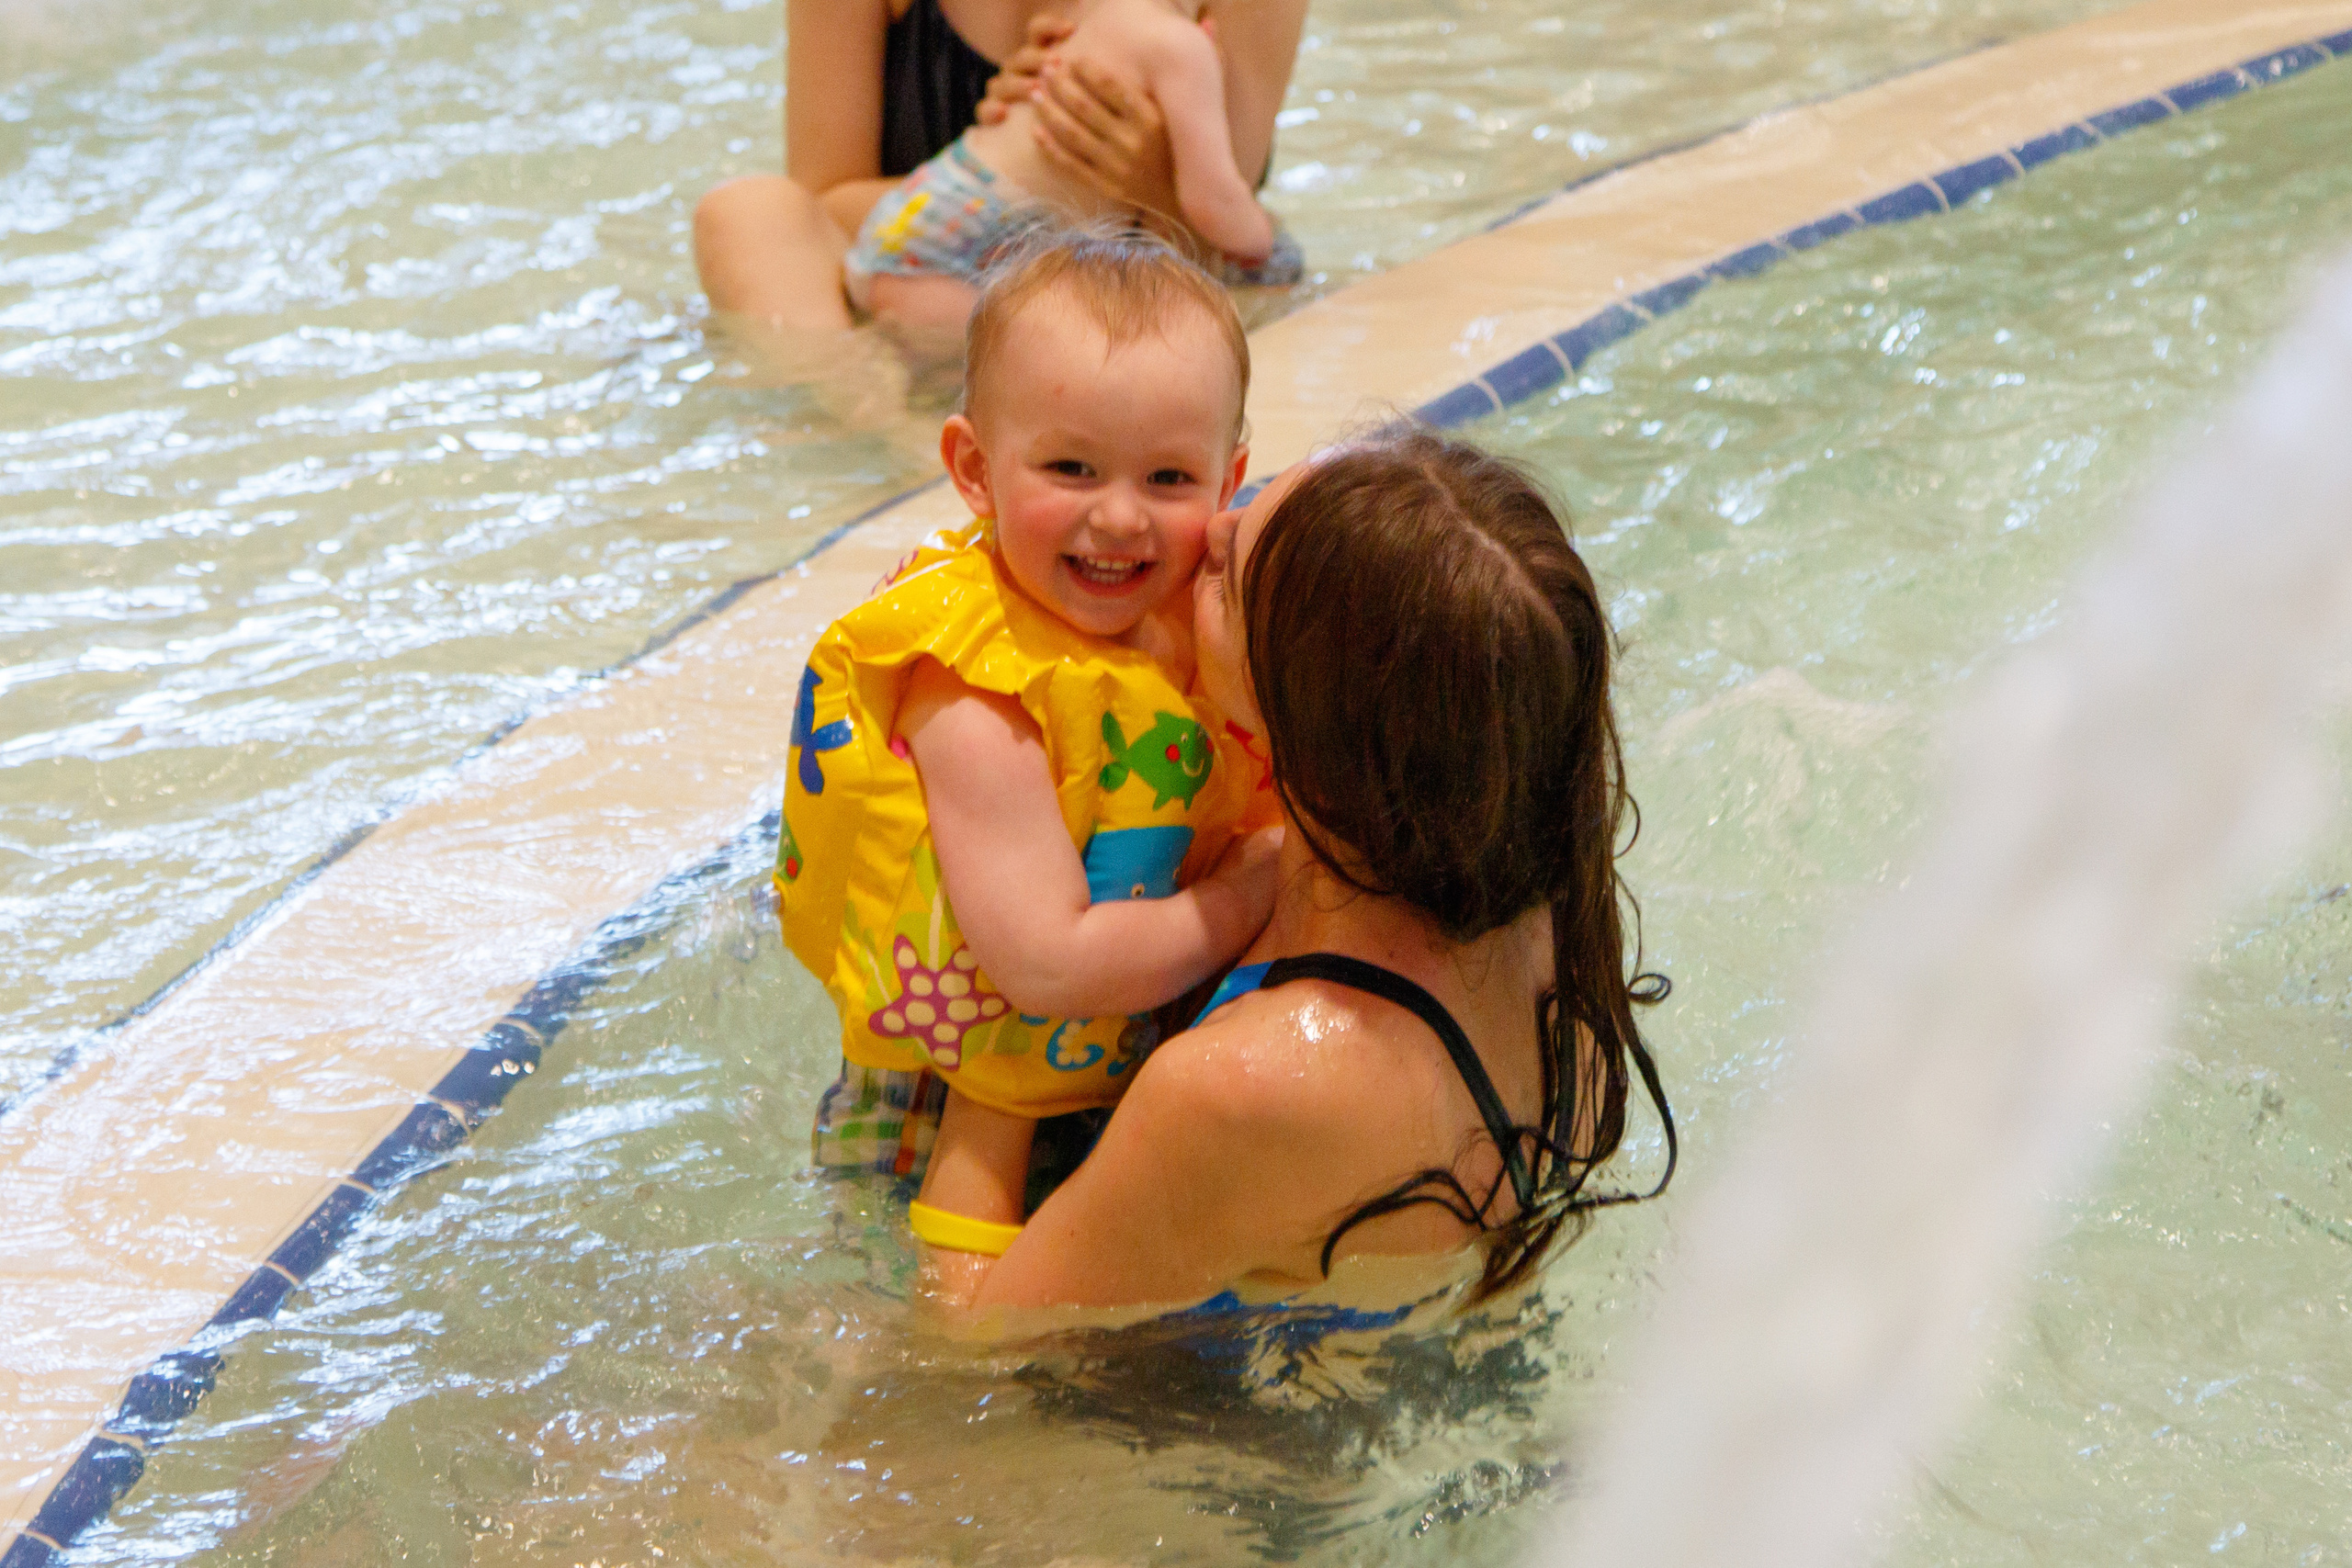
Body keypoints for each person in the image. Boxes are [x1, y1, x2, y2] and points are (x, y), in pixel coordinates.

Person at [971, 426, 1678, 1312]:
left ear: (1307, 720)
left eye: (1229, 578)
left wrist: (990, 1080)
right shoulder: (1546, 934)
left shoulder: (1243, 1089)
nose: (1205, 530)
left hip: (1244, 1430)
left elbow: (976, 1371)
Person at [777, 231, 1283, 1302]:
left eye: (1168, 476)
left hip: (1117, 1065)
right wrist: (1250, 892)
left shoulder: (1191, 628)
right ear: (973, 470)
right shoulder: (973, 692)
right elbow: (1047, 966)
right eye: (1069, 468)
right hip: (945, 1119)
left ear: (1229, 481)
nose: (1118, 515)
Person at [692, 0, 1307, 335]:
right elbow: (822, 206)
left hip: (1129, 307)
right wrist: (992, 156)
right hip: (921, 282)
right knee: (747, 214)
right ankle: (869, 427)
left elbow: (1232, 265)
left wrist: (1143, 184)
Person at [842, 0, 1274, 337]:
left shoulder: (1086, 17)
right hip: (974, 253)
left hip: (912, 220)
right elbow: (1213, 206)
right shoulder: (1181, 46)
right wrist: (1262, 239)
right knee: (1273, 273)